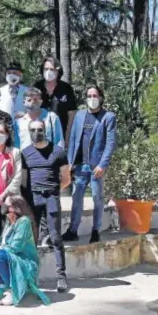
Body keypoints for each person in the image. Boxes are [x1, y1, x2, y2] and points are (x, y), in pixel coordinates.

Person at [21, 119, 71, 292]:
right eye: (33, 129)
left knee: (56, 237)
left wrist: (54, 190)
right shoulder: (25, 153)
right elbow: (24, 180)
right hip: (33, 199)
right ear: (29, 132)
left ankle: (61, 276)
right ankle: (32, 276)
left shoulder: (58, 152)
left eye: (40, 129)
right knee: (32, 240)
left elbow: (66, 179)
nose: (37, 132)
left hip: (51, 197)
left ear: (45, 130)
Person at [63, 85, 117, 244]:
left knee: (97, 198)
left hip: (96, 167)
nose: (92, 98)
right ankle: (73, 230)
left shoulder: (108, 117)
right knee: (76, 198)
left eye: (95, 95)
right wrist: (69, 162)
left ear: (100, 97)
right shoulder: (79, 115)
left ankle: (96, 230)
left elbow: (110, 143)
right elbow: (72, 139)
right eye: (89, 95)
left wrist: (103, 164)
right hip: (80, 166)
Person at [0, 195, 50, 306]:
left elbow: (15, 247)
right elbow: (4, 242)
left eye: (6, 204)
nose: (3, 206)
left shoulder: (24, 222)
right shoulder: (9, 221)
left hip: (24, 260)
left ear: (14, 208)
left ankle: (12, 290)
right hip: (12, 257)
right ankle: (11, 286)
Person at [34, 57, 78, 144]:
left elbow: (72, 115)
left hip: (61, 137)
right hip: (39, 136)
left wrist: (68, 138)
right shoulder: (36, 87)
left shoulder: (66, 88)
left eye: (52, 69)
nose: (49, 72)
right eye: (46, 69)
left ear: (58, 71)